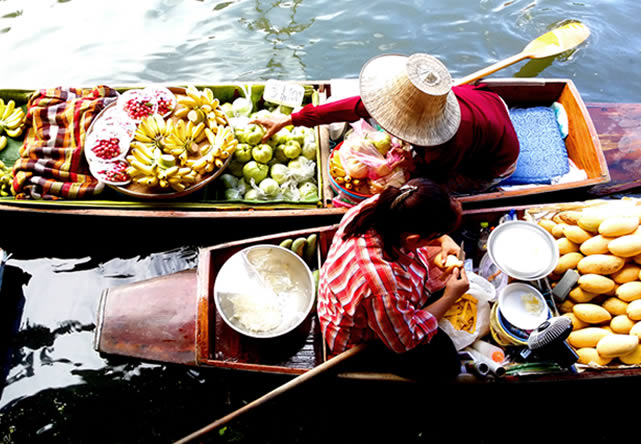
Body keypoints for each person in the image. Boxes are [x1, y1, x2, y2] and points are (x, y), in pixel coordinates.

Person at [252, 53, 519, 194]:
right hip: (489, 102)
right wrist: (290, 119)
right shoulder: (414, 99)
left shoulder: (452, 141)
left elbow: (436, 174)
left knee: (423, 189)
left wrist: (411, 165)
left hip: (495, 159)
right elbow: (353, 107)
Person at [316, 177, 470, 381]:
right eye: (436, 234)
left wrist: (444, 239)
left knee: (441, 276)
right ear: (413, 239)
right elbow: (405, 340)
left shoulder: (384, 204)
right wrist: (450, 297)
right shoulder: (384, 284)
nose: (440, 237)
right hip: (356, 339)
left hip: (359, 296)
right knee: (448, 362)